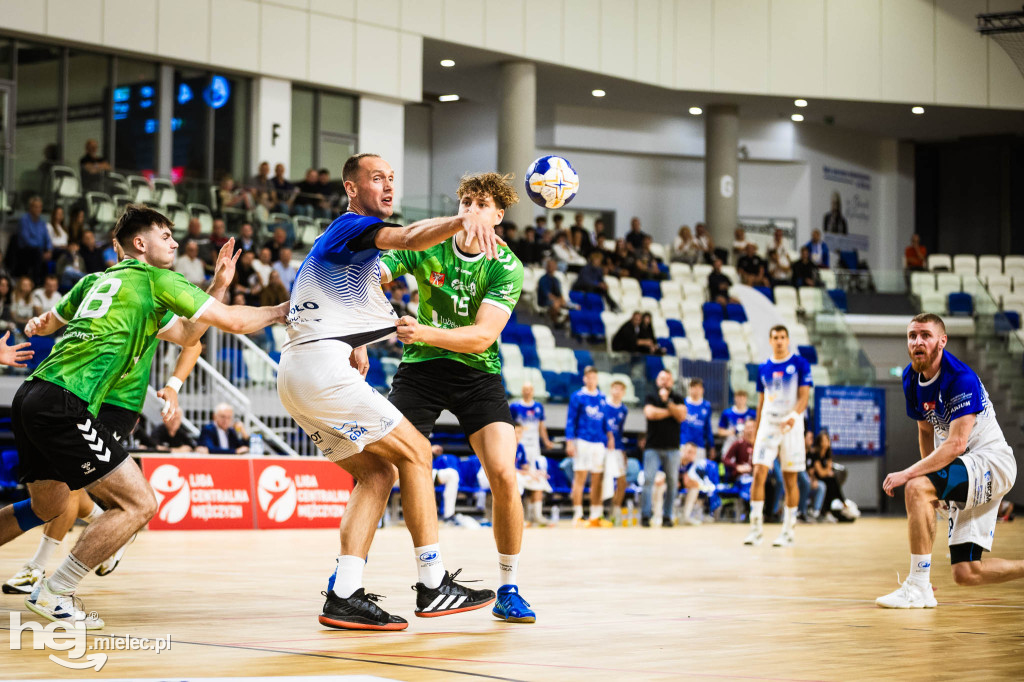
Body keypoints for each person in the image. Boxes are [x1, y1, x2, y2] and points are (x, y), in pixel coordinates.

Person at [2, 209, 281, 627]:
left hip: (31, 395)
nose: (173, 243)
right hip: (67, 401)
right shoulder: (155, 281)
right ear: (140, 244)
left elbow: (189, 336)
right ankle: (56, 590)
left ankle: (80, 542)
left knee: (49, 504)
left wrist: (218, 286)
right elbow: (237, 322)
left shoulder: (99, 281)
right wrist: (286, 309)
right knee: (140, 503)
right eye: (166, 236)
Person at [276, 153, 501, 631]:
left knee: (377, 474)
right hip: (319, 372)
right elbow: (410, 237)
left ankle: (344, 593)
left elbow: (325, 297)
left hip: (301, 374)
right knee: (418, 453)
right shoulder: (353, 225)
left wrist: (352, 345)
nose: (388, 186)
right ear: (352, 188)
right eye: (376, 178)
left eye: (392, 178)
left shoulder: (347, 248)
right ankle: (434, 583)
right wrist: (465, 218)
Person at [381, 170, 537, 623]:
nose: (471, 210)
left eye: (482, 204)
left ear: (498, 215)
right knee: (384, 467)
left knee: (505, 475)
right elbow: (374, 275)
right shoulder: (428, 242)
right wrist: (363, 328)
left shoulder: (506, 265)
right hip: (422, 369)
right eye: (466, 201)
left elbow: (481, 338)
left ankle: (508, 587)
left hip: (476, 374)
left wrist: (421, 329)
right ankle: (349, 578)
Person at [6, 255, 211, 594]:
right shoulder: (94, 284)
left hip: (118, 405)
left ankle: (40, 568)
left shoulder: (147, 290)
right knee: (61, 490)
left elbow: (194, 340)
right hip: (77, 393)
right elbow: (55, 319)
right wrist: (39, 324)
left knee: (69, 484)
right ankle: (110, 523)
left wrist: (173, 387)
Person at [877, 313, 1024, 608]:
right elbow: (924, 428)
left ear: (942, 341)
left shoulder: (960, 378)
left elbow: (956, 444)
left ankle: (919, 587)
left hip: (991, 463)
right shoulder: (910, 378)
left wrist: (913, 476)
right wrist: (935, 484)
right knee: (967, 573)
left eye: (925, 335)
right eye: (912, 336)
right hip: (966, 468)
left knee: (916, 488)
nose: (917, 341)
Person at [744, 325, 813, 548]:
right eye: (776, 337)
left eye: (783, 337)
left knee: (790, 478)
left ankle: (788, 531)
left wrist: (793, 416)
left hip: (791, 425)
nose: (780, 341)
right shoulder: (763, 367)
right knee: (758, 472)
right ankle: (755, 529)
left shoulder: (800, 364)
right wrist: (755, 428)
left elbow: (804, 397)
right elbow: (761, 400)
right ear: (770, 341)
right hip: (768, 423)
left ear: (788, 340)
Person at [565, 366, 610, 527]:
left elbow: (606, 421)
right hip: (582, 440)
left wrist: (609, 438)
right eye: (589, 377)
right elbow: (571, 420)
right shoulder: (577, 396)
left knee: (598, 478)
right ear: (584, 378)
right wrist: (569, 441)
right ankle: (578, 514)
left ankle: (595, 514)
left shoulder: (603, 398)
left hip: (599, 441)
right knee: (580, 477)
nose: (591, 380)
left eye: (594, 377)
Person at [641, 369, 686, 527]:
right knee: (648, 481)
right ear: (657, 380)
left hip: (672, 448)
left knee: (673, 483)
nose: (664, 381)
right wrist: (671, 412)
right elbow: (650, 414)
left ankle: (667, 516)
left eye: (667, 379)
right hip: (652, 447)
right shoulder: (650, 396)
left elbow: (682, 416)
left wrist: (667, 403)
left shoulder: (677, 397)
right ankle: (645, 515)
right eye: (661, 378)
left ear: (671, 382)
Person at [510, 382, 556, 526]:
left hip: (534, 447)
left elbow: (542, 426)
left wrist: (546, 441)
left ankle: (536, 515)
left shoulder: (539, 407)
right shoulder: (515, 407)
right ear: (522, 391)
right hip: (518, 444)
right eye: (525, 390)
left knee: (537, 476)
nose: (528, 392)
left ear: (533, 391)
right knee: (519, 479)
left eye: (530, 390)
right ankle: (519, 515)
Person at [678, 378, 714, 525]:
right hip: (683, 446)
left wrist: (711, 446)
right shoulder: (683, 404)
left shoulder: (706, 406)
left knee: (697, 480)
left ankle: (695, 512)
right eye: (693, 387)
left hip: (699, 447)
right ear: (689, 389)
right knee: (681, 478)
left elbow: (708, 428)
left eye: (698, 387)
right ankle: (678, 511)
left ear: (702, 390)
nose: (695, 390)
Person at [603, 379, 629, 525]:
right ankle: (599, 510)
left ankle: (616, 508)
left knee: (622, 479)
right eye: (615, 388)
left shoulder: (624, 410)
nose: (617, 391)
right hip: (604, 447)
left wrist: (623, 450)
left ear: (624, 393)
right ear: (611, 390)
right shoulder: (603, 405)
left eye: (620, 389)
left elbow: (620, 431)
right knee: (602, 478)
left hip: (617, 448)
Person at [15, 196, 52, 282]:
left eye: (40, 207)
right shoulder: (24, 220)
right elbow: (26, 240)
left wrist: (49, 250)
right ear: (30, 208)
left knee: (59, 253)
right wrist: (42, 251)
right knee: (37, 253)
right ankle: (36, 282)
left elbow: (47, 238)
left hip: (40, 251)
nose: (38, 209)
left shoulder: (42, 222)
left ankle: (50, 283)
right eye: (36, 207)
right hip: (26, 251)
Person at [717, 389, 756, 457]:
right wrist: (732, 432)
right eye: (739, 397)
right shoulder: (727, 413)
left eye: (743, 398)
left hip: (747, 444)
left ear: (746, 399)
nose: (741, 400)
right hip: (731, 442)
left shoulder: (752, 413)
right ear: (735, 398)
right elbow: (720, 431)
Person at [536, 258, 566, 326]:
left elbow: (559, 293)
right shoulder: (543, 279)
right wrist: (557, 300)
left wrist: (562, 300)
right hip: (544, 301)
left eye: (553, 266)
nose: (551, 267)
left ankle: (564, 322)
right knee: (555, 304)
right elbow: (546, 294)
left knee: (572, 307)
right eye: (550, 266)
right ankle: (555, 323)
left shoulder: (556, 280)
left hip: (556, 300)